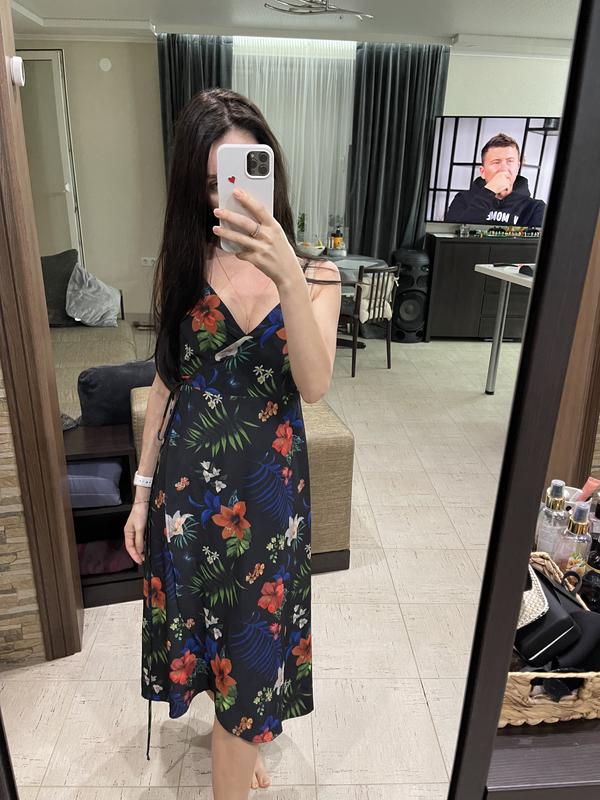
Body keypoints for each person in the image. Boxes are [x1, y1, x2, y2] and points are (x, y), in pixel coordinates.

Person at [123, 88, 341, 799]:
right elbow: (166, 382)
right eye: (215, 181)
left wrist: (285, 272)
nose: (234, 196)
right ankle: (241, 746)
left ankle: (239, 746)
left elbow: (314, 384)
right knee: (219, 649)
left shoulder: (318, 275)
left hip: (270, 503)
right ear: (198, 188)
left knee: (253, 654)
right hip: (189, 500)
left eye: (248, 173)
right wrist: (141, 493)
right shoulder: (184, 267)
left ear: (272, 172)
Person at [444, 132, 546, 227]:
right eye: (496, 162)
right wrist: (489, 191)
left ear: (518, 167)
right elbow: (455, 235)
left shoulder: (536, 208)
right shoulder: (463, 199)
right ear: (483, 172)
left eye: (510, 161)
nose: (504, 169)